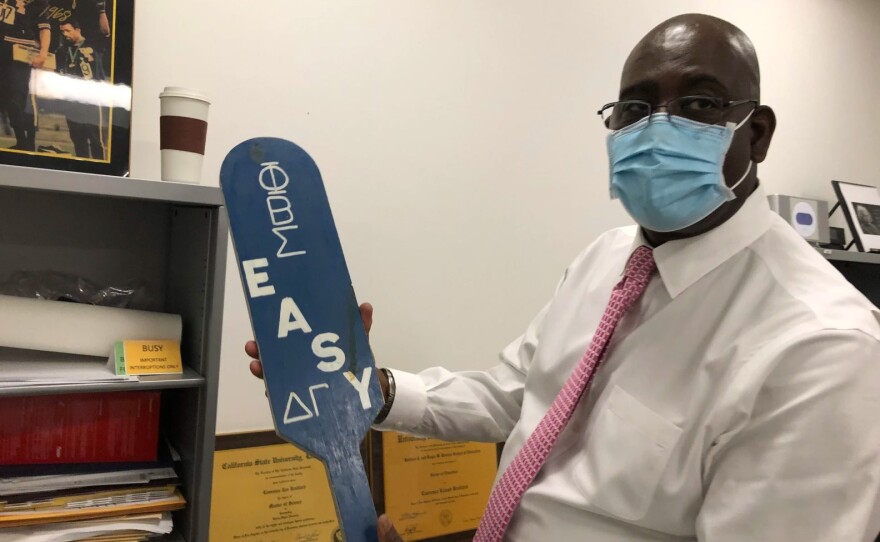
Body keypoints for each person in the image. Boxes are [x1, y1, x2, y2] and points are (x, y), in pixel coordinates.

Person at [247, 14, 880, 542]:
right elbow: (518, 398)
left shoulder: (820, 349)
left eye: (698, 104)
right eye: (634, 108)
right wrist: (365, 386)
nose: (656, 128)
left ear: (758, 133)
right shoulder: (606, 260)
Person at [0, 0, 51, 151]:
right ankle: (21, 140)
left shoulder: (38, 4)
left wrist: (42, 54)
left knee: (21, 98)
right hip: (2, 50)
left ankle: (29, 142)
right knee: (7, 99)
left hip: (22, 52)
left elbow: (45, 30)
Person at [55, 18, 104, 158]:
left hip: (90, 100)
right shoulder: (62, 51)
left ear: (78, 30)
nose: (64, 34)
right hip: (71, 102)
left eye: (68, 31)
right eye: (62, 31)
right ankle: (83, 170)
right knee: (77, 139)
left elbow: (105, 31)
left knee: (95, 139)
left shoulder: (94, 46)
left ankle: (100, 172)